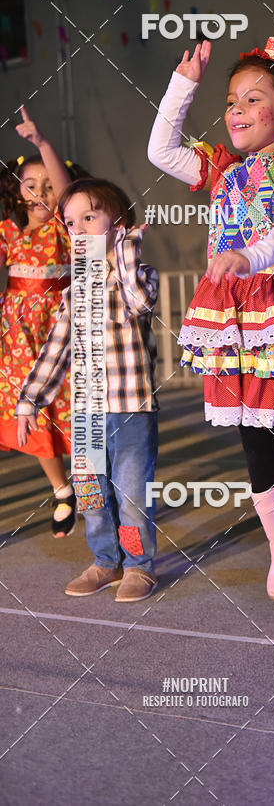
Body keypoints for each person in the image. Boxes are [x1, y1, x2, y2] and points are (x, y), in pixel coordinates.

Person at [148, 36, 274, 612]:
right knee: (253, 442)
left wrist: (251, 257)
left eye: (253, 99)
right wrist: (183, 84)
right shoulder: (221, 166)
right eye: (231, 100)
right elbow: (160, 151)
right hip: (230, 319)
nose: (237, 110)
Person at [16, 178, 160, 603]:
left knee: (132, 495)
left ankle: (137, 566)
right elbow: (54, 351)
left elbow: (133, 303)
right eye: (71, 224)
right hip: (86, 413)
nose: (78, 230)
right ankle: (105, 561)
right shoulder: (74, 293)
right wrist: (29, 400)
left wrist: (124, 248)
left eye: (89, 218)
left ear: (118, 224)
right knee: (91, 493)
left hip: (131, 408)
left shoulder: (139, 276)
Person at [0, 107, 84, 537]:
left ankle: (90, 487)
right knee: (34, 417)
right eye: (30, 186)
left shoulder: (65, 230)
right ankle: (61, 489)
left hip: (62, 333)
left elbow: (69, 197)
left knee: (75, 413)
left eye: (48, 187)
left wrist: (43, 144)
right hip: (17, 341)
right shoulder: (8, 233)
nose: (39, 194)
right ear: (16, 192)